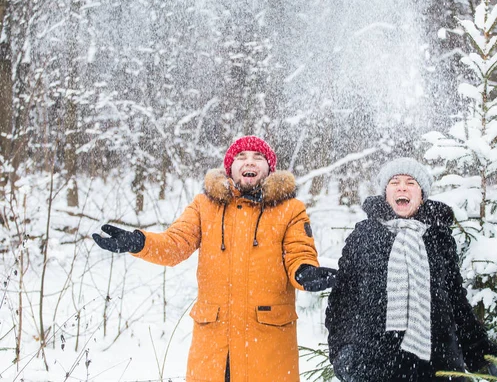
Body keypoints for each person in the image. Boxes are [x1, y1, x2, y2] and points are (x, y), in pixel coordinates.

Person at [93, 136, 337, 382]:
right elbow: (175, 244)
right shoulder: (204, 206)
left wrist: (305, 272)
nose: (249, 162)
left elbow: (299, 251)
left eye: (258, 158)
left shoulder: (290, 209)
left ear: (270, 169)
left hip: (267, 345)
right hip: (214, 347)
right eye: (241, 157)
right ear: (229, 168)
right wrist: (139, 242)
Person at [325, 157, 497, 382]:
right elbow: (342, 301)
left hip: (437, 363)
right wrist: (342, 351)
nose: (402, 187)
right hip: (374, 362)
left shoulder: (439, 237)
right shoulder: (364, 235)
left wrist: (480, 355)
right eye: (395, 182)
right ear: (385, 192)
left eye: (410, 182)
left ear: (421, 194)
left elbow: (456, 302)